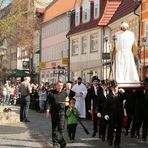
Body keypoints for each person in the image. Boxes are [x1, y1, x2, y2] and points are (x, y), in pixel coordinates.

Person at [113, 22, 140, 86]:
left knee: (128, 67)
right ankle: (119, 81)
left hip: (127, 53)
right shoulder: (117, 34)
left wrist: (134, 52)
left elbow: (134, 45)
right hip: (120, 53)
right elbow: (115, 45)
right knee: (120, 68)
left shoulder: (131, 34)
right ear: (121, 27)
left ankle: (130, 81)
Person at [45, 80, 67, 148]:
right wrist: (48, 111)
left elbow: (67, 101)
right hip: (54, 113)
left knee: (61, 128)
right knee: (54, 128)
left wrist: (67, 105)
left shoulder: (65, 93)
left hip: (62, 112)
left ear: (63, 86)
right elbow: (48, 102)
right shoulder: (51, 93)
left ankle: (61, 141)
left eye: (61, 86)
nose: (60, 87)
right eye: (58, 86)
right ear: (56, 86)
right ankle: (55, 143)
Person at [104, 80, 126, 148]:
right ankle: (110, 139)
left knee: (119, 129)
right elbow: (106, 106)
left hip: (119, 114)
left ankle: (117, 143)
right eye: (114, 87)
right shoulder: (109, 96)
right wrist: (106, 114)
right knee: (111, 128)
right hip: (111, 115)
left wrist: (124, 93)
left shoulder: (121, 94)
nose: (115, 88)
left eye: (116, 86)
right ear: (111, 88)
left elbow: (127, 98)